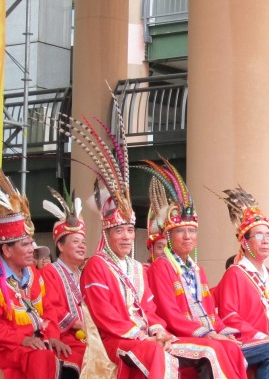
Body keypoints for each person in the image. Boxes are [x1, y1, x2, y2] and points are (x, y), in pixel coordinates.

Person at [66, 113, 239, 379]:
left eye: (128, 230)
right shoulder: (97, 266)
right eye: (119, 231)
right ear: (107, 232)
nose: (126, 236)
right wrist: (144, 335)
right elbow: (105, 317)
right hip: (117, 342)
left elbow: (149, 309)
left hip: (145, 336)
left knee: (210, 349)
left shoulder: (135, 267)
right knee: (164, 353)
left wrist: (158, 330)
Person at [142, 165, 248, 379]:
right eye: (180, 231)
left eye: (192, 231)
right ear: (169, 237)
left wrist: (222, 332)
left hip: (201, 334)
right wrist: (209, 334)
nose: (187, 236)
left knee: (232, 346)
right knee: (212, 350)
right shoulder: (161, 266)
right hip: (176, 336)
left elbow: (212, 313)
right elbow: (169, 314)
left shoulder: (198, 270)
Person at [0, 171, 72, 379]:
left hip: (38, 342)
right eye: (25, 244)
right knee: (42, 358)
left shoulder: (33, 274)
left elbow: (48, 310)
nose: (32, 248)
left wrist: (52, 336)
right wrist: (20, 339)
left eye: (31, 243)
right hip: (9, 348)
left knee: (73, 353)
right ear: (7, 250)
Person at [213, 187, 269, 378]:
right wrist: (261, 336)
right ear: (245, 242)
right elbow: (229, 316)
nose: (266, 241)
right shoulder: (235, 273)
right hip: (245, 341)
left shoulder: (268, 274)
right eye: (259, 236)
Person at [40, 187, 88, 376]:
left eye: (83, 242)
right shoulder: (49, 271)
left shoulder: (86, 273)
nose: (82, 246)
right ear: (60, 245)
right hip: (65, 336)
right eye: (75, 242)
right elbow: (51, 306)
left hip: (88, 334)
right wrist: (77, 323)